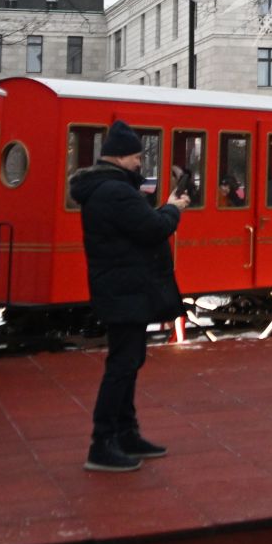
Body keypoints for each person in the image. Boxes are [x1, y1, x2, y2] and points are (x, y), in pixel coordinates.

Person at [73, 119, 188, 472]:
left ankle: (125, 433)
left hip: (122, 289)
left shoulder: (106, 189)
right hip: (125, 291)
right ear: (121, 157)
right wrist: (173, 208)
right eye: (136, 156)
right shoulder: (116, 192)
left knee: (128, 362)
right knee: (123, 366)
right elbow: (153, 228)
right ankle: (103, 442)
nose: (140, 162)